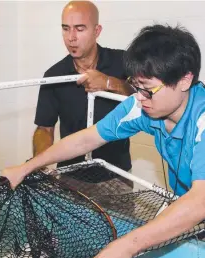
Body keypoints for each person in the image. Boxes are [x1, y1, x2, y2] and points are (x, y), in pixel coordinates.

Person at [4, 24, 205, 258]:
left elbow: (202, 203)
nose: (139, 97)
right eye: (135, 85)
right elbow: (86, 139)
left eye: (148, 89)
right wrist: (27, 167)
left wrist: (128, 245)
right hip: (188, 208)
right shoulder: (145, 106)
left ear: (185, 79)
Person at [33, 0, 134, 172]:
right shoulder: (54, 75)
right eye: (66, 28)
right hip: (70, 174)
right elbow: (44, 128)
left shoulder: (122, 62)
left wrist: (110, 83)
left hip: (116, 174)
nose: (71, 37)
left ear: (97, 31)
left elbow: (145, 98)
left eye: (80, 29)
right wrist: (38, 165)